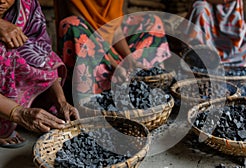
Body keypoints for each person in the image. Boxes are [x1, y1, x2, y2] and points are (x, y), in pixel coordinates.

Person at [54, 0, 172, 105]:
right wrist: (114, 64)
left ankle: (146, 82)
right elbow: (86, 34)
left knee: (151, 20)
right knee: (73, 24)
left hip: (112, 50)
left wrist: (129, 59)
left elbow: (115, 30)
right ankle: (99, 92)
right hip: (89, 53)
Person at [0, 0, 79, 148]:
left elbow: (43, 57)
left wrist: (61, 102)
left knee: (22, 47)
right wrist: (19, 113)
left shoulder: (27, 7)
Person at [180, 0, 246, 66]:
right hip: (211, 35)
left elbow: (239, 28)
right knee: (199, 7)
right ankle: (205, 61)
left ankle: (232, 63)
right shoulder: (202, 7)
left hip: (234, 32)